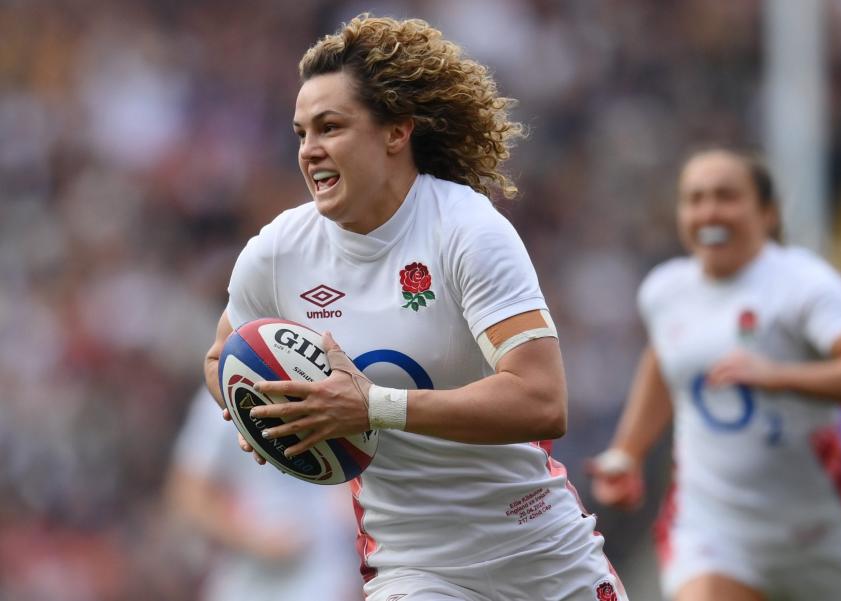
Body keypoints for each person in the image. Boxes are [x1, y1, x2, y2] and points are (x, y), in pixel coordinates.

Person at [202, 14, 627, 601]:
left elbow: (541, 399)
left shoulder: (467, 229)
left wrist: (373, 407)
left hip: (539, 558)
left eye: (330, 127)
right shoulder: (278, 252)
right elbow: (224, 354)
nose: (309, 151)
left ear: (395, 132)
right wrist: (257, 409)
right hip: (414, 568)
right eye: (301, 133)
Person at [589, 148, 841, 601]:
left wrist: (779, 375)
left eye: (725, 196)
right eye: (694, 198)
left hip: (813, 537)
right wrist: (628, 451)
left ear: (767, 212)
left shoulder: (805, 285)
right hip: (712, 529)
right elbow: (664, 361)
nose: (708, 211)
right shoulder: (665, 290)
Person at [165, 386, 363, 601]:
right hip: (248, 581)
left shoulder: (332, 383)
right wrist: (251, 540)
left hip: (327, 574)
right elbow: (188, 492)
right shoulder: (227, 389)